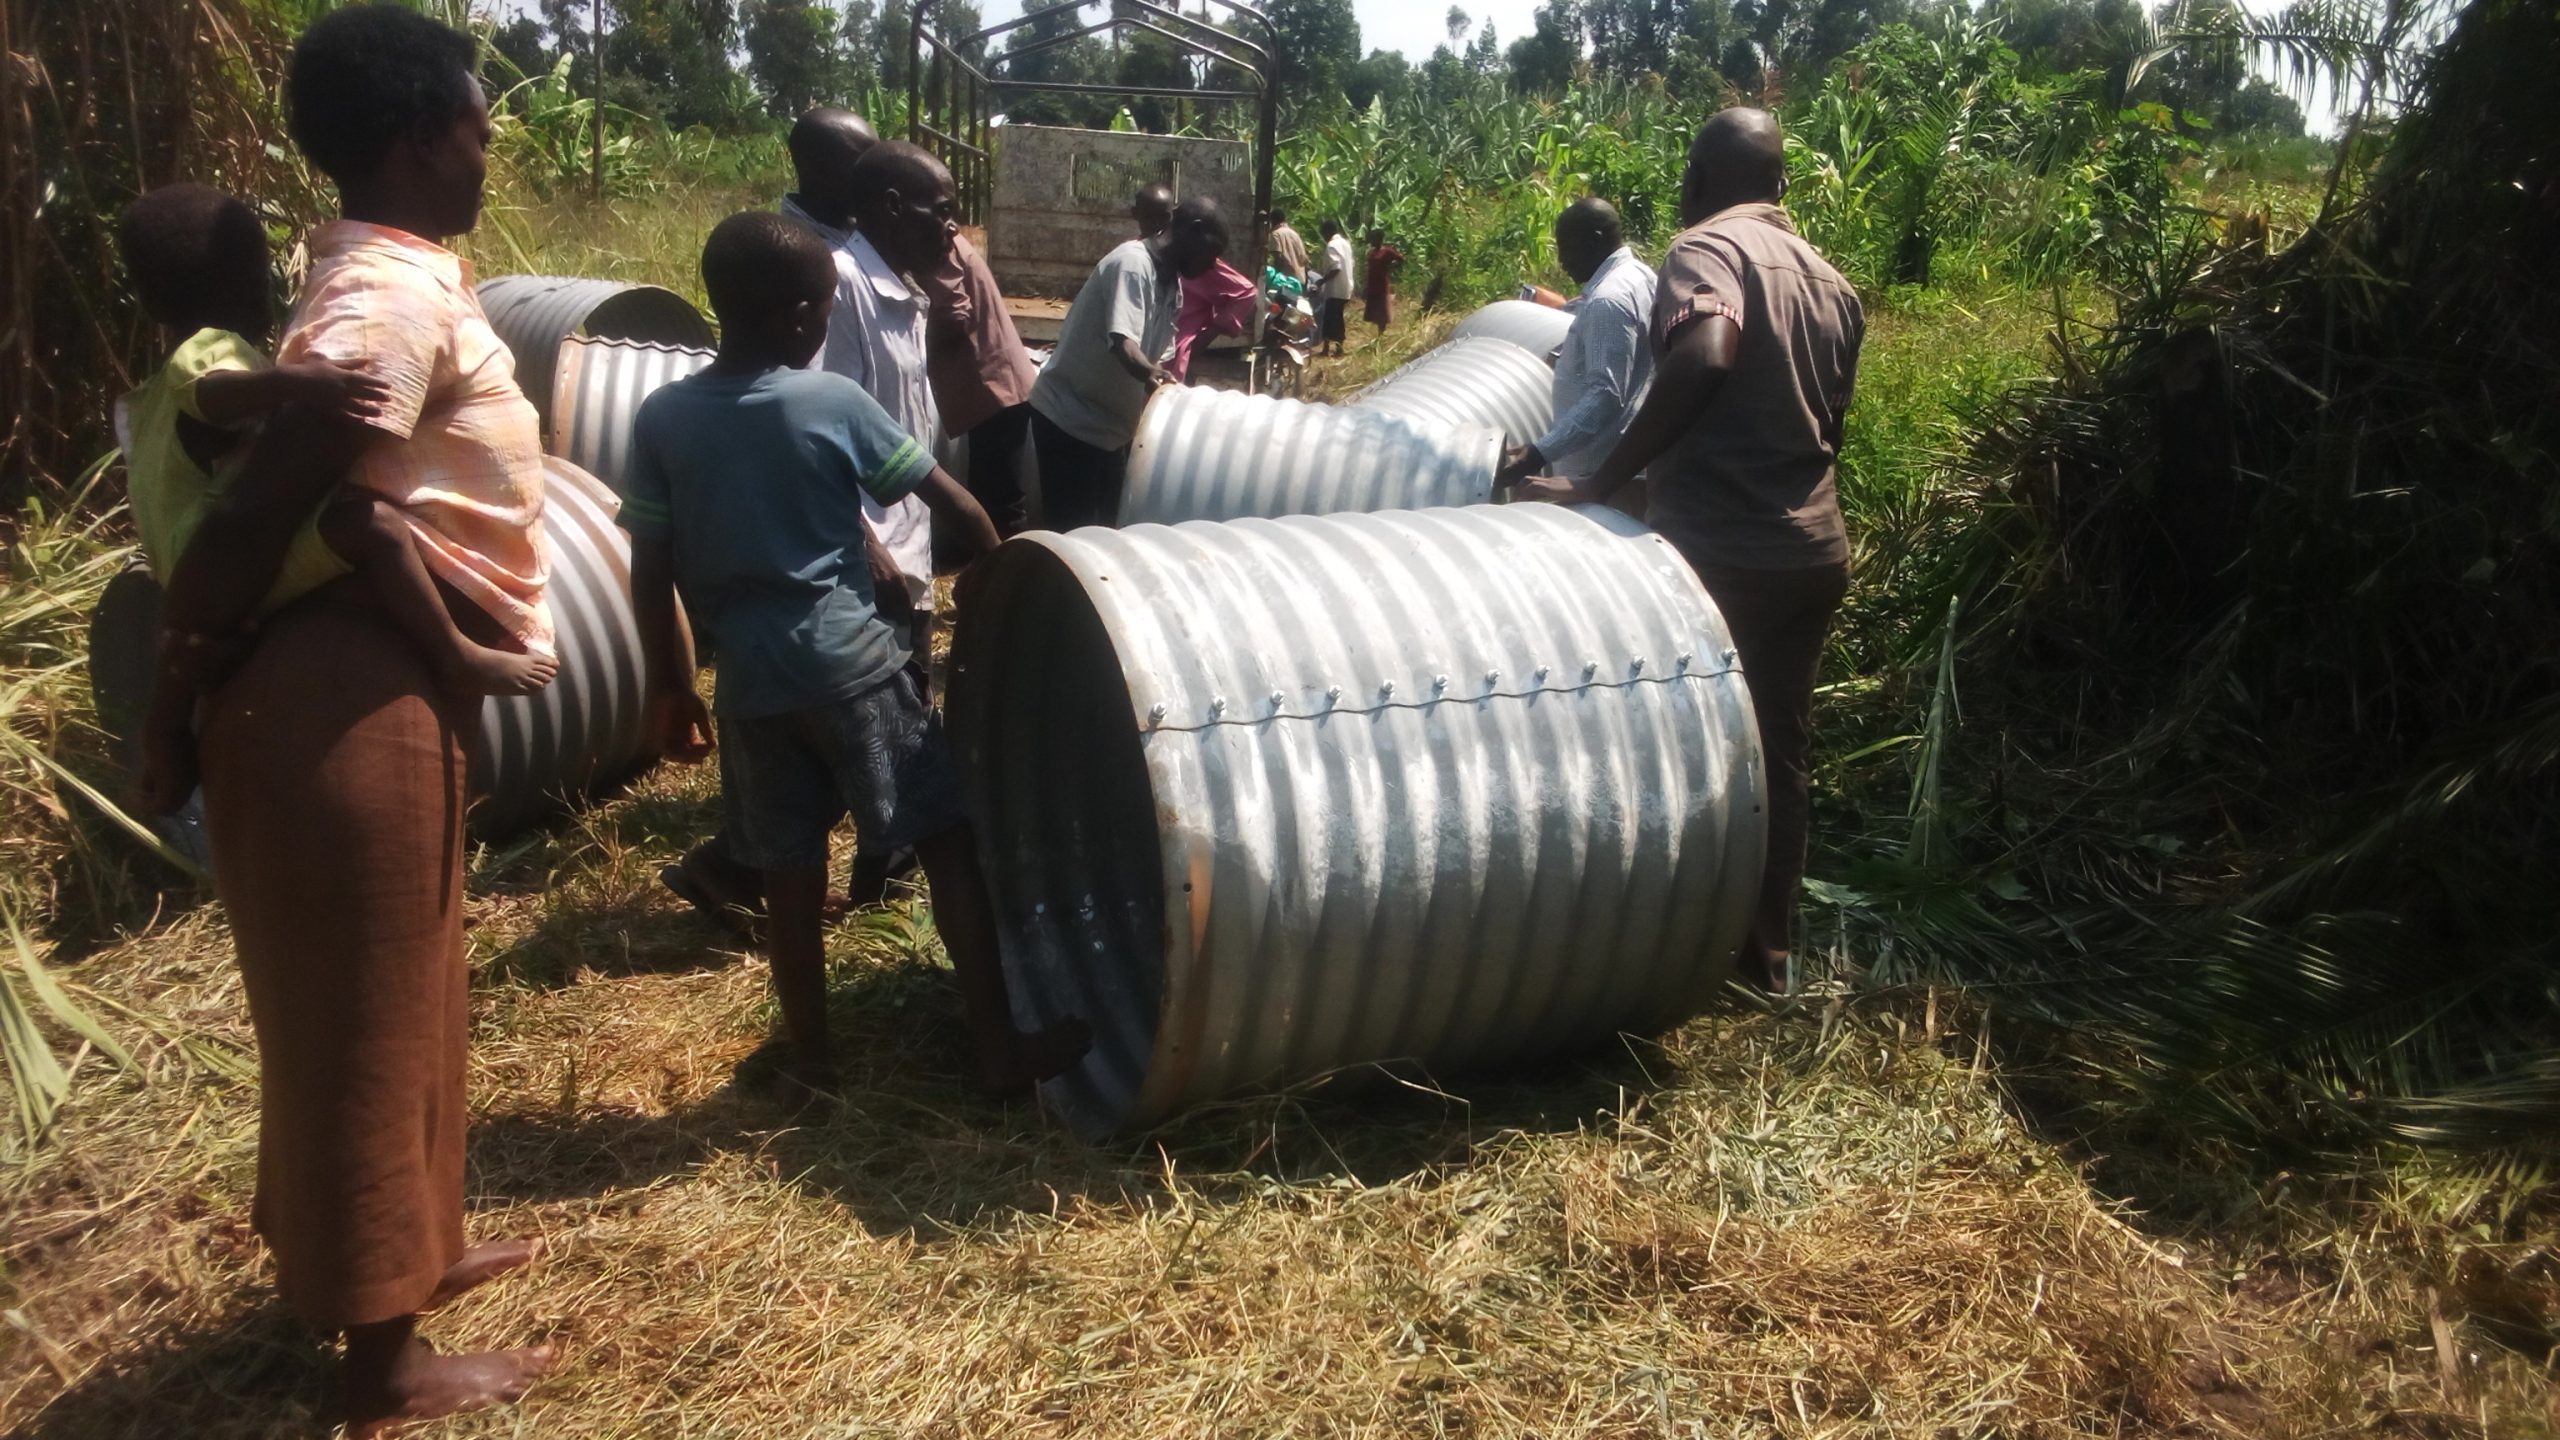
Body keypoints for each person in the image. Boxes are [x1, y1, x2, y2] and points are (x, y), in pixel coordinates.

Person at [139, 8, 561, 1432]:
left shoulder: (399, 280)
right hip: (334, 690)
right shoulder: (380, 300)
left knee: (415, 991)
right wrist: (185, 657)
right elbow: (270, 500)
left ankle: (413, 1254)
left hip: (377, 683)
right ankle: (379, 1370)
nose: (489, 143)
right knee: (361, 1021)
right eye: (476, 121)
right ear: (416, 135)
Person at [621, 211, 1089, 1103]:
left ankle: (812, 1066)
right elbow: (957, 504)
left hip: (751, 687)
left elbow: (650, 570)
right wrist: (989, 582)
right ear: (802, 314)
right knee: (948, 840)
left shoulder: (664, 419)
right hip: (853, 670)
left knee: (790, 877)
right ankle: (1000, 1051)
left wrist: (672, 687)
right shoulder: (830, 402)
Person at [1518, 109, 1865, 998]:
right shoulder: (1832, 282)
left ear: (1699, 180)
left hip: (1720, 557)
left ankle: (1645, 947)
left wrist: (1600, 484)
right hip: (1811, 551)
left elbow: (1708, 355)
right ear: (1781, 184)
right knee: (1776, 751)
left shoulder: (1705, 251)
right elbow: (1821, 428)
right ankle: (1766, 953)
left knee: (1659, 745)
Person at [121, 184, 559, 813]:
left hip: (190, 550)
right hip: (204, 545)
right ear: (247, 284)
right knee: (374, 526)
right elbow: (211, 394)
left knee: (200, 640)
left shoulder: (163, 371)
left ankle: (171, 731)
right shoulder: (207, 346)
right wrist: (297, 382)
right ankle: (454, 654)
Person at [1026, 197, 1230, 528]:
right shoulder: (1133, 264)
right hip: (1070, 420)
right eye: (1213, 250)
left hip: (1110, 432)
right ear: (1192, 231)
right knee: (1071, 535)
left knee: (1105, 533)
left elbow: (1161, 356)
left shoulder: (1172, 285)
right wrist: (1152, 376)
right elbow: (1124, 344)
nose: (1214, 264)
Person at [1496, 198, 1659, 508]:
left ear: (1594, 241)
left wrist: (1541, 452)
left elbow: (1607, 394)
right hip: (1628, 465)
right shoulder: (1642, 277)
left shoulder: (1608, 301)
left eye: (1566, 247)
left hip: (1598, 474)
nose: (1562, 260)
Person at [917, 229, 1039, 542]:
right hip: (995, 385)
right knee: (991, 491)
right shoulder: (947, 242)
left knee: (1001, 502)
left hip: (997, 387)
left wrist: (911, 344)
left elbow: (954, 316)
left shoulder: (941, 248)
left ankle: (1009, 575)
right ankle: (993, 568)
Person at [1171, 256, 1259, 382]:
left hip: (1171, 357)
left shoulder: (1196, 260)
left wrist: (1212, 332)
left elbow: (1246, 293)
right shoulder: (1144, 255)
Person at [1313, 219, 1354, 357]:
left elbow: (1336, 268)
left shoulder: (1332, 245)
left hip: (1335, 289)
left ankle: (1328, 349)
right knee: (1337, 318)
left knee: (1331, 319)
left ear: (1327, 232)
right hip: (1345, 287)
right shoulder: (1345, 244)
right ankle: (1337, 347)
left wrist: (1321, 281)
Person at [1362, 228, 1404, 334]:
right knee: (1374, 312)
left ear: (1379, 239)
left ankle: (1381, 334)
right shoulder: (1372, 252)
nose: (1371, 241)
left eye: (1373, 238)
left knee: (1382, 313)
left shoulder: (1387, 251)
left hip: (1381, 285)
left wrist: (1390, 267)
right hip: (1372, 285)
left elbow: (1401, 259)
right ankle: (1379, 334)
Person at [1267, 206, 1308, 284]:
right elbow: (1304, 260)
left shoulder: (1276, 234)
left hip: (1285, 280)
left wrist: (1273, 279)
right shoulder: (1295, 234)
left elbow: (1278, 259)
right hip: (1299, 281)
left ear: (1273, 220)